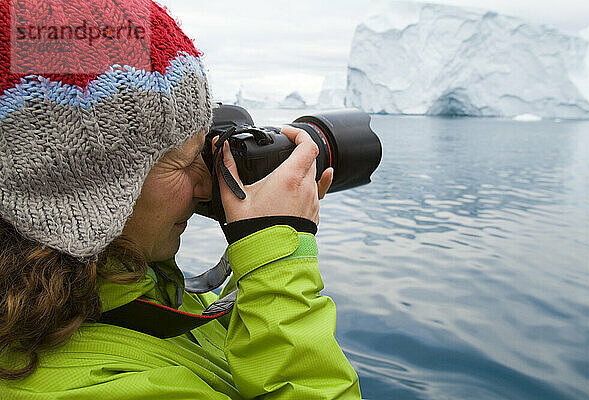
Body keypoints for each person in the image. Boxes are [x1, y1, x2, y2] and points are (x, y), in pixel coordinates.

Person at [0, 0, 362, 398]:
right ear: (89, 188)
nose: (207, 188)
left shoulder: (123, 287)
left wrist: (252, 261)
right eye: (188, 163)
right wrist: (278, 263)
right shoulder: (99, 387)